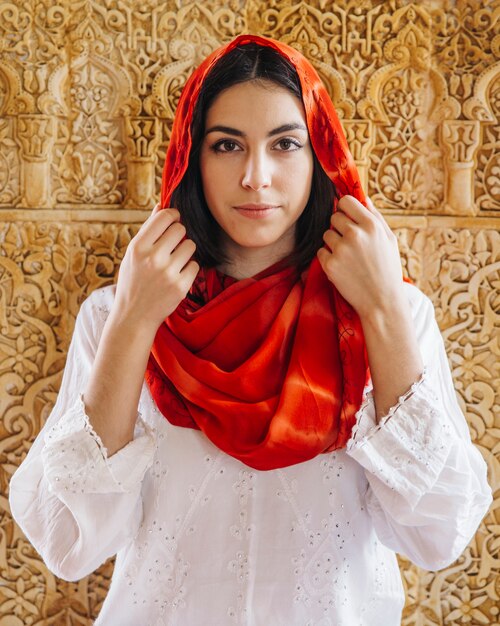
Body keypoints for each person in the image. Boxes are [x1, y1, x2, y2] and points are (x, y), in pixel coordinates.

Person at [9, 34, 491, 626]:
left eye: (285, 143)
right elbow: (69, 543)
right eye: (227, 145)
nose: (256, 177)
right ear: (192, 157)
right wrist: (135, 322)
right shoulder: (119, 314)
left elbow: (439, 534)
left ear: (321, 159)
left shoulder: (390, 315)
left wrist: (383, 311)